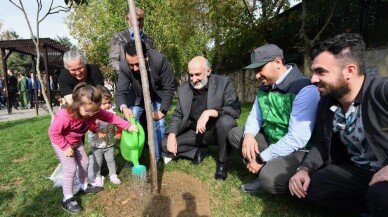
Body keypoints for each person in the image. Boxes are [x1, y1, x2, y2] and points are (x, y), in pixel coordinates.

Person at [288, 33, 388, 217]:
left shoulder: (381, 91)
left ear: (349, 71)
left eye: (321, 72)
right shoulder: (327, 102)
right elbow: (321, 143)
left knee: (381, 196)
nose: (313, 79)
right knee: (308, 188)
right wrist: (304, 169)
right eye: (313, 72)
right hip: (358, 173)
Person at [228, 44, 320, 193]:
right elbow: (255, 115)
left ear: (277, 62)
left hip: (299, 150)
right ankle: (265, 167)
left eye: (260, 69)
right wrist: (249, 135)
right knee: (235, 135)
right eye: (255, 71)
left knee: (269, 179)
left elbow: (297, 139)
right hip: (272, 140)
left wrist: (260, 158)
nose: (256, 76)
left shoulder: (305, 89)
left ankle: (265, 171)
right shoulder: (265, 87)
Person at [48, 82, 138, 214]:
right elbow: (53, 133)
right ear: (77, 105)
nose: (91, 115)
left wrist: (127, 126)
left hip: (75, 142)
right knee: (71, 168)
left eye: (95, 111)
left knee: (84, 162)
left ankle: (84, 185)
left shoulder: (94, 112)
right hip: (61, 143)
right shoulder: (65, 116)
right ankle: (67, 198)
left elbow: (112, 117)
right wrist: (65, 146)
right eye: (87, 111)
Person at [162, 56, 241, 181]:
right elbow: (178, 114)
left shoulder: (223, 83)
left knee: (226, 122)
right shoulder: (183, 89)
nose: (194, 79)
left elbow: (235, 109)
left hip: (217, 132)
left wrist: (210, 112)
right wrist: (172, 134)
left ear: (208, 71)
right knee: (165, 144)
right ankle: (198, 151)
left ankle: (222, 163)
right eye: (191, 75)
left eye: (197, 74)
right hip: (195, 133)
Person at [116, 40, 175, 165]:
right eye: (131, 65)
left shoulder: (159, 60)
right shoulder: (124, 66)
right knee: (131, 122)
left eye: (138, 64)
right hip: (137, 97)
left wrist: (163, 110)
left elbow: (169, 87)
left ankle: (157, 158)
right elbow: (121, 92)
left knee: (159, 124)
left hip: (157, 97)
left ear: (146, 56)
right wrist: (124, 108)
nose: (135, 68)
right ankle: (133, 156)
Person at [88, 86, 123, 186]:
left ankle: (113, 174)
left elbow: (119, 123)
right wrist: (96, 130)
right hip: (97, 144)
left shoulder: (112, 113)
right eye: (104, 104)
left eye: (109, 103)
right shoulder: (92, 114)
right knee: (97, 161)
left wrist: (119, 132)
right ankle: (97, 176)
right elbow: (89, 125)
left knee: (111, 159)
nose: (107, 105)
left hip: (109, 142)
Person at [109, 7, 154, 74]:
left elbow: (152, 60)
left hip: (146, 79)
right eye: (136, 20)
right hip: (127, 80)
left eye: (141, 20)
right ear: (128, 19)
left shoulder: (148, 39)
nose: (139, 23)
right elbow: (112, 61)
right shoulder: (118, 38)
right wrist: (127, 72)